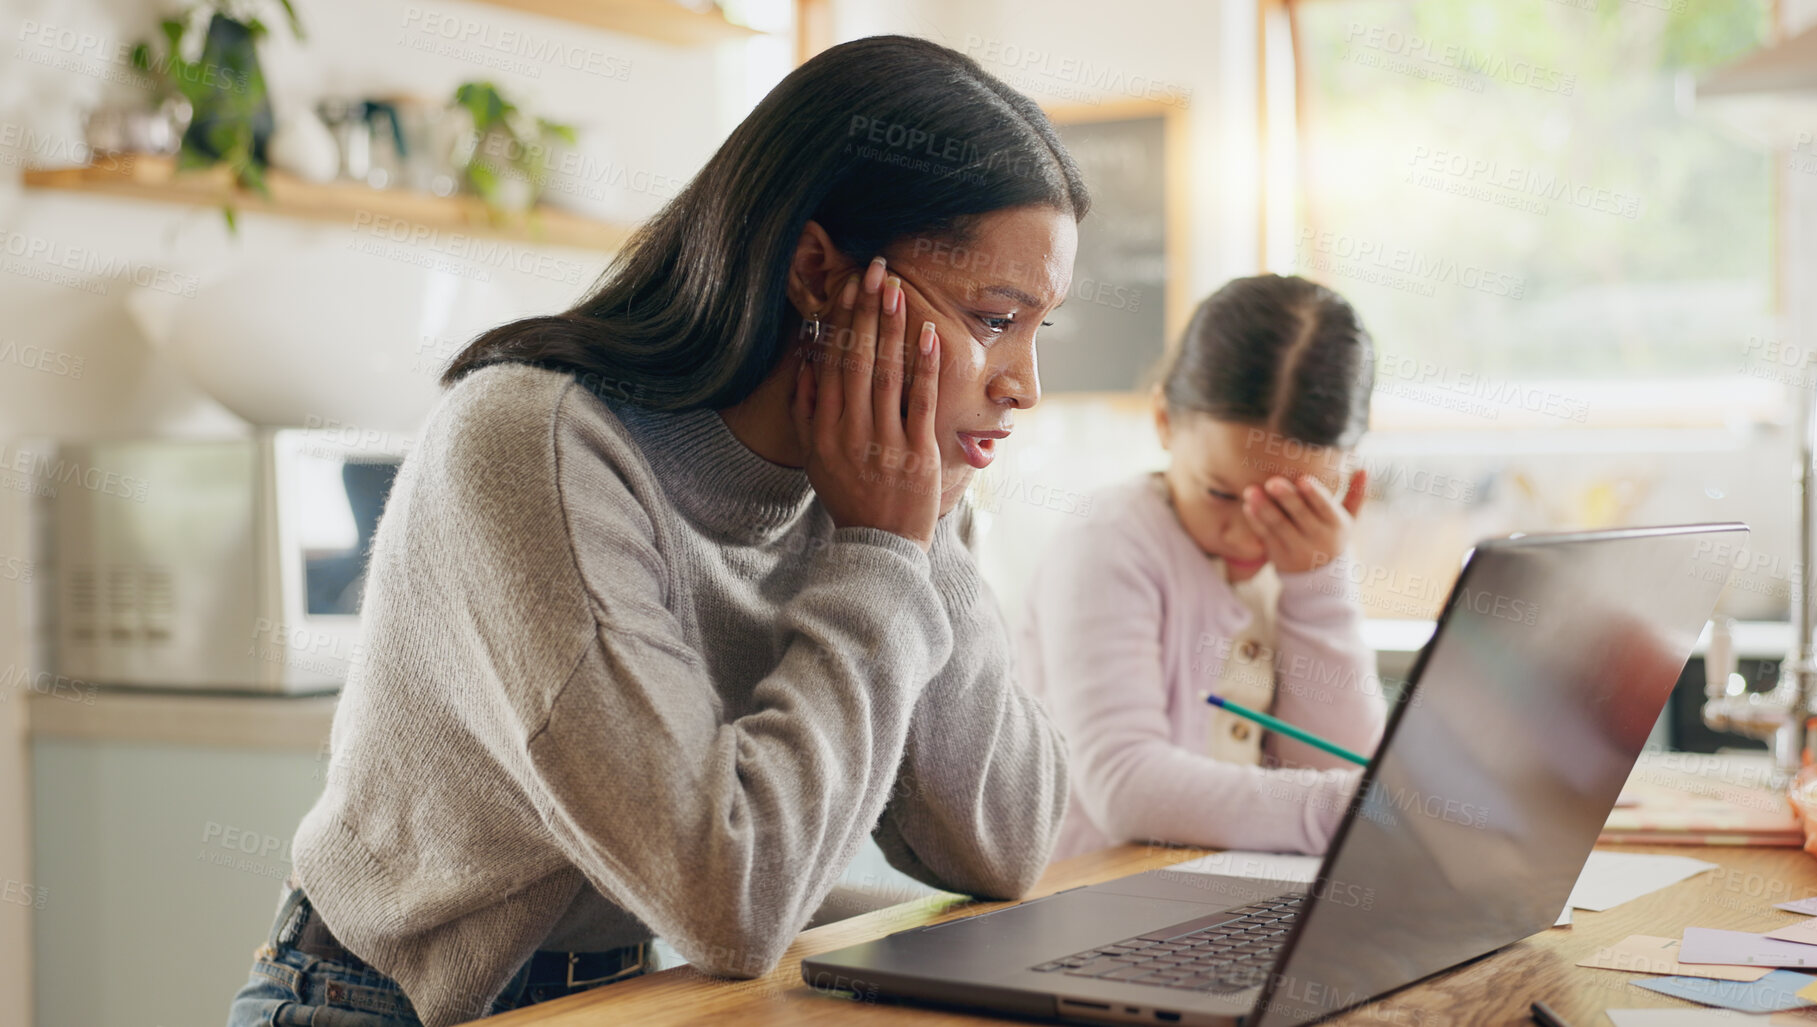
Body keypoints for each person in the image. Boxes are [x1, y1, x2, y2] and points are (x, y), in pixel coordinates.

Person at [226, 34, 1086, 1027]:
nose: (1024, 384)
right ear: (818, 269)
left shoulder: (876, 488)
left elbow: (1006, 843)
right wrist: (884, 553)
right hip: (374, 1005)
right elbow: (730, 900)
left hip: (630, 993)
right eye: (992, 318)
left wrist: (917, 536)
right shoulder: (535, 447)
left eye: (1037, 327)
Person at [1017, 273, 1388, 862]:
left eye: (1291, 502)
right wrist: (1363, 810)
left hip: (1224, 897)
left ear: (1349, 478)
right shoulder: (1110, 538)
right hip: (1089, 899)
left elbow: (1339, 764)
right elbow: (1126, 787)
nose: (1248, 530)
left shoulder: (1297, 558)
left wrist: (1318, 581)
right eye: (1219, 493)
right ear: (1164, 420)